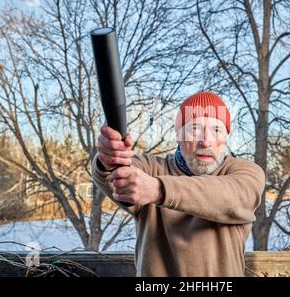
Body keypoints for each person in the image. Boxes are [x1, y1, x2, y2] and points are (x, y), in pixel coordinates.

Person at [91, 91, 265, 276]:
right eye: (195, 128)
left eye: (216, 130)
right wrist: (110, 159)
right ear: (179, 135)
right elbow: (114, 175)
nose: (206, 141)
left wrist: (158, 189)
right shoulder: (151, 169)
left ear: (226, 137)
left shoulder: (245, 173)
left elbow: (234, 196)